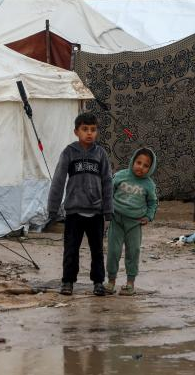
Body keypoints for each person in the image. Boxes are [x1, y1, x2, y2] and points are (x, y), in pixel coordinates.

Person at [47, 112, 113, 296]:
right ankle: (67, 281)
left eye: (93, 129)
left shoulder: (101, 154)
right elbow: (58, 180)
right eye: (85, 129)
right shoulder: (69, 152)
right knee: (71, 249)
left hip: (96, 212)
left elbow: (108, 182)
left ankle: (98, 282)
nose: (89, 133)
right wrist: (53, 209)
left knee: (97, 250)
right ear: (76, 132)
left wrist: (108, 209)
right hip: (74, 212)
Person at [105, 148, 157, 296]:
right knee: (113, 251)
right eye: (138, 162)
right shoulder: (120, 176)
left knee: (133, 252)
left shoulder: (149, 185)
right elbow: (108, 192)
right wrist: (107, 210)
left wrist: (148, 216)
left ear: (150, 168)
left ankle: (130, 284)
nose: (141, 167)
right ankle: (111, 282)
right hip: (116, 220)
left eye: (146, 165)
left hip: (134, 224)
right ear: (133, 161)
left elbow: (153, 202)